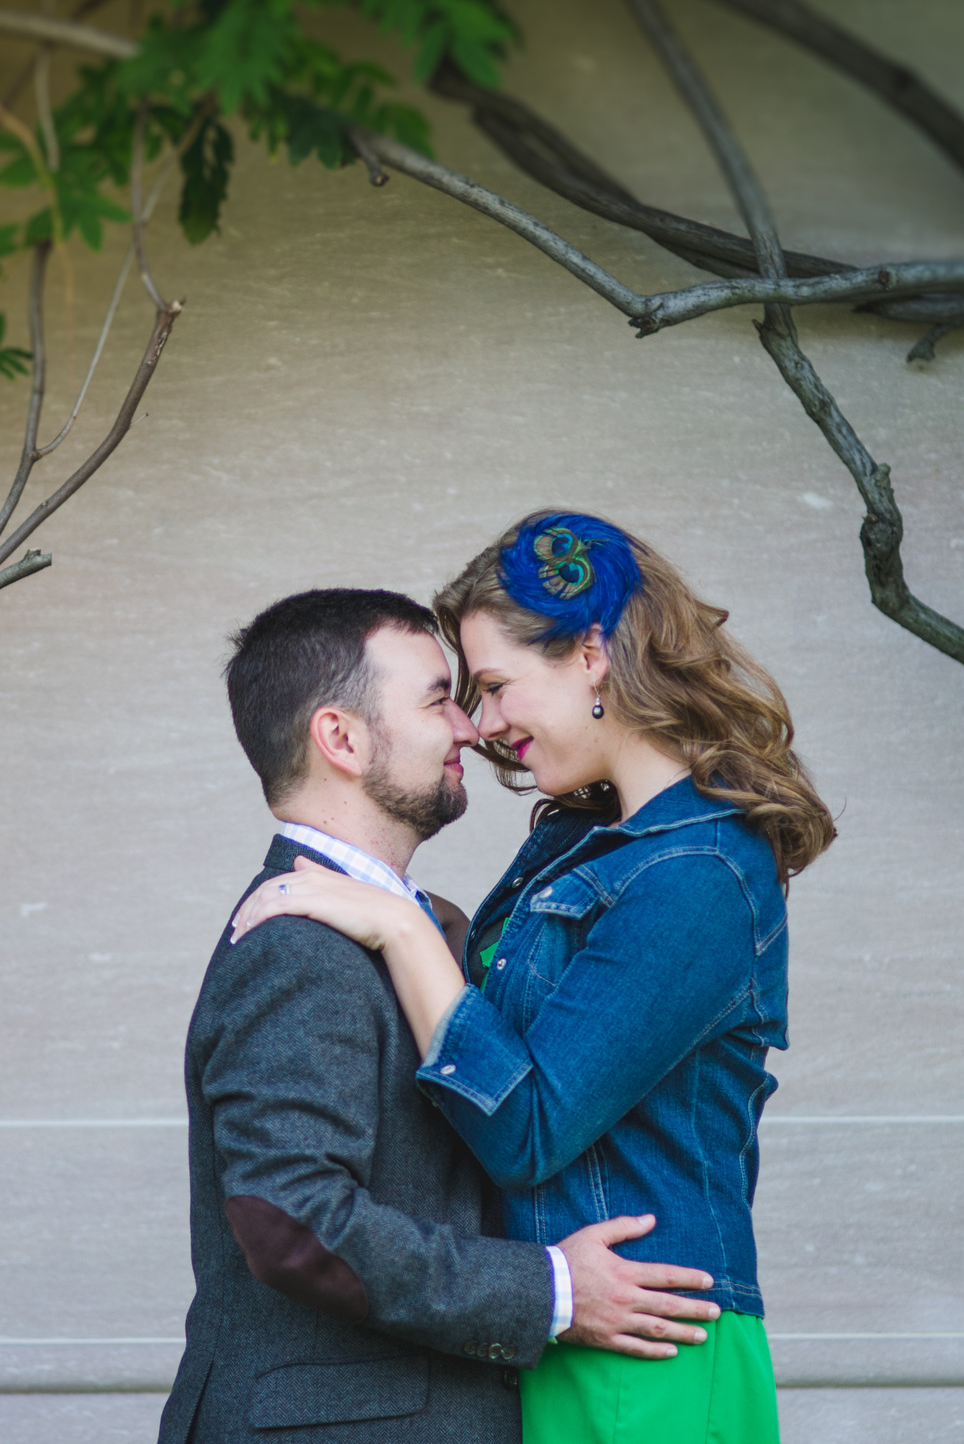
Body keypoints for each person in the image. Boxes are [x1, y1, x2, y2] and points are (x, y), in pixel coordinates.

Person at [231, 516, 835, 1444]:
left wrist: (399, 923)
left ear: (592, 654)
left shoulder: (700, 873)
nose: (483, 724)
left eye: (497, 686)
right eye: (464, 696)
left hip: (652, 1334)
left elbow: (526, 1123)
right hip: (568, 1331)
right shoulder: (571, 843)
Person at [161, 588, 726, 1444]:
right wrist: (553, 1291)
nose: (471, 729)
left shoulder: (413, 930)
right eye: (437, 699)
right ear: (341, 739)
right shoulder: (296, 948)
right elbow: (288, 1216)